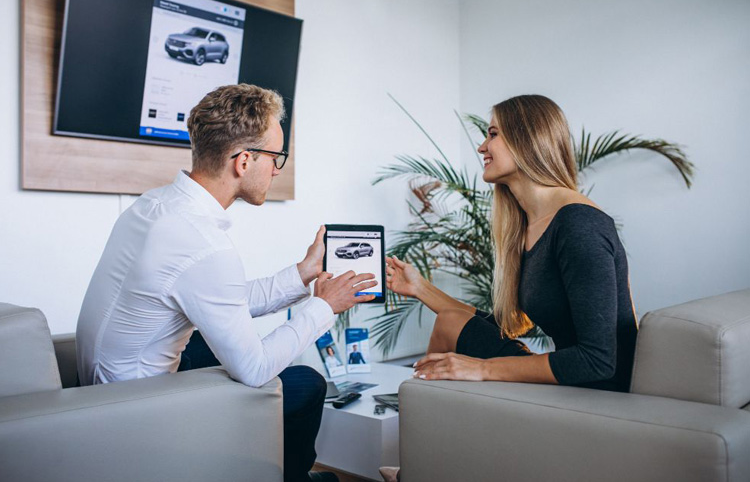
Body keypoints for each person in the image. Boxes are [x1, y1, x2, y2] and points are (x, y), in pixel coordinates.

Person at [76, 84, 377, 482]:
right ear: (244, 160)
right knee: (305, 382)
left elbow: (220, 299)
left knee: (209, 340)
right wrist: (323, 306)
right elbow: (253, 370)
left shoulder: (155, 204)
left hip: (109, 385)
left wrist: (303, 273)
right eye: (275, 157)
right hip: (138, 409)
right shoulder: (203, 243)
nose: (276, 169)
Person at [379, 94, 638, 482]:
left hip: (598, 389)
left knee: (459, 351)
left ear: (526, 139)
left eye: (493, 134)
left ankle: (421, 466)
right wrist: (420, 288)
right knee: (451, 322)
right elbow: (502, 324)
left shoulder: (578, 224)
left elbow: (599, 360)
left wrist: (483, 369)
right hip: (574, 376)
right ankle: (423, 461)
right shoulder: (529, 225)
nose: (482, 146)